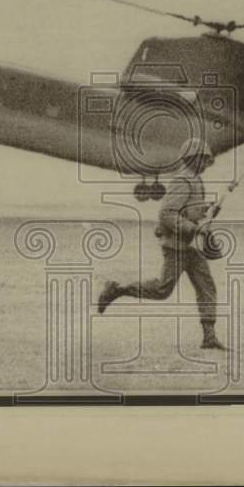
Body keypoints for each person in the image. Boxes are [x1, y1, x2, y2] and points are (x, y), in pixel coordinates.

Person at [97, 137, 227, 350]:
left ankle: (209, 337)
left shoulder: (194, 179)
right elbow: (167, 214)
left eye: (207, 160)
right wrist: (194, 228)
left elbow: (186, 210)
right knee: (161, 290)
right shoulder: (182, 181)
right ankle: (116, 290)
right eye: (203, 160)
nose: (206, 164)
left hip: (192, 247)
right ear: (192, 159)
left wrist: (205, 211)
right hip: (176, 246)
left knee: (207, 288)